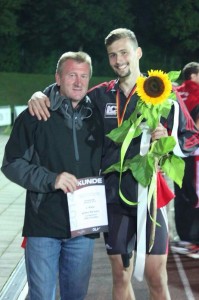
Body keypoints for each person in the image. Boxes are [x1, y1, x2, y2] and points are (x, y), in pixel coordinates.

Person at [27, 29, 199, 300]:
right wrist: (41, 93)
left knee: (157, 277)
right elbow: (68, 97)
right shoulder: (100, 96)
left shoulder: (163, 93)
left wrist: (168, 143)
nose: (119, 60)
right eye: (112, 55)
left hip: (151, 199)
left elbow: (191, 138)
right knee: (120, 276)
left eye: (124, 53)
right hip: (112, 199)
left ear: (138, 53)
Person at [1, 51, 104, 300]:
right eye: (71, 75)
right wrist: (52, 179)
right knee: (41, 297)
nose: (78, 82)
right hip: (43, 225)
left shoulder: (98, 118)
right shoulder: (35, 115)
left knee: (75, 297)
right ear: (58, 78)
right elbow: (11, 163)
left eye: (83, 76)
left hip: (83, 229)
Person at [172, 62, 199, 258]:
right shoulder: (197, 92)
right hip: (194, 151)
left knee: (181, 195)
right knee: (195, 196)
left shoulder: (175, 91)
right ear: (194, 75)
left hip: (176, 152)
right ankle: (193, 240)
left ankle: (184, 238)